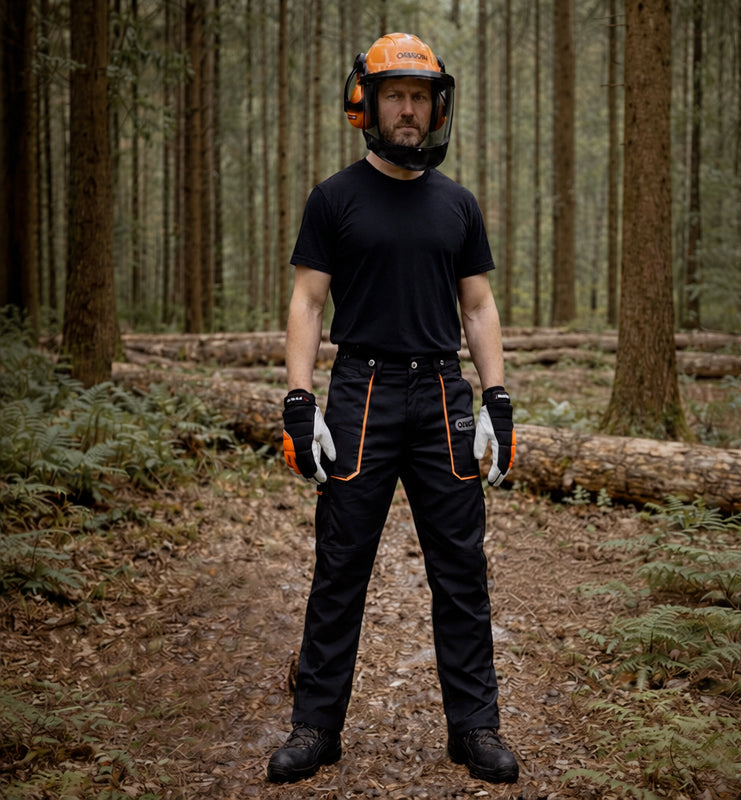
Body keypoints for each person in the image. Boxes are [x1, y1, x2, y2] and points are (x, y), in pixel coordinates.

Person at [268, 32, 519, 785]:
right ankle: (317, 727)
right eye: (395, 97)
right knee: (340, 566)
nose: (408, 111)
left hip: (443, 393)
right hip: (361, 392)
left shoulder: (458, 205)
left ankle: (474, 729)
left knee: (460, 571)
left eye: (419, 97)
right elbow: (309, 301)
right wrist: (299, 397)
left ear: (436, 106)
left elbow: (478, 307)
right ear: (368, 105)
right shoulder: (334, 199)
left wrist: (497, 401)